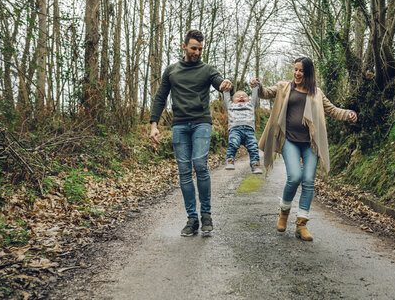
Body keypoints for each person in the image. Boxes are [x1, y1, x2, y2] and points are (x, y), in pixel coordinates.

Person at [251, 57, 357, 241]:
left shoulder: (316, 93)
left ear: (308, 73)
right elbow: (265, 93)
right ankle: (284, 213)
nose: (297, 73)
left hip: (310, 142)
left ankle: (302, 224)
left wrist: (348, 113)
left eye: (301, 71)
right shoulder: (284, 87)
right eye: (295, 70)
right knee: (295, 177)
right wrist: (257, 86)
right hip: (289, 140)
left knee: (308, 180)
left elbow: (332, 110)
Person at [150, 29, 233, 237]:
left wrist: (226, 85)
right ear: (184, 46)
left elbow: (219, 82)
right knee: (185, 172)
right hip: (179, 125)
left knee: (200, 165)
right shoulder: (171, 71)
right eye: (194, 48)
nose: (197, 52)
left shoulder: (207, 70)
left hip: (201, 123)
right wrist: (154, 125)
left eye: (200, 49)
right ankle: (192, 219)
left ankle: (206, 215)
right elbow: (160, 97)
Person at [223, 82, 263, 174]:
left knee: (253, 147)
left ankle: (255, 165)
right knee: (233, 143)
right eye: (238, 96)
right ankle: (230, 160)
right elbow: (226, 97)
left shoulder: (251, 105)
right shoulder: (230, 106)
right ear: (233, 100)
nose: (241, 97)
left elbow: (255, 97)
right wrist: (226, 90)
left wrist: (255, 87)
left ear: (248, 99)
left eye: (244, 96)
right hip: (235, 130)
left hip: (249, 131)